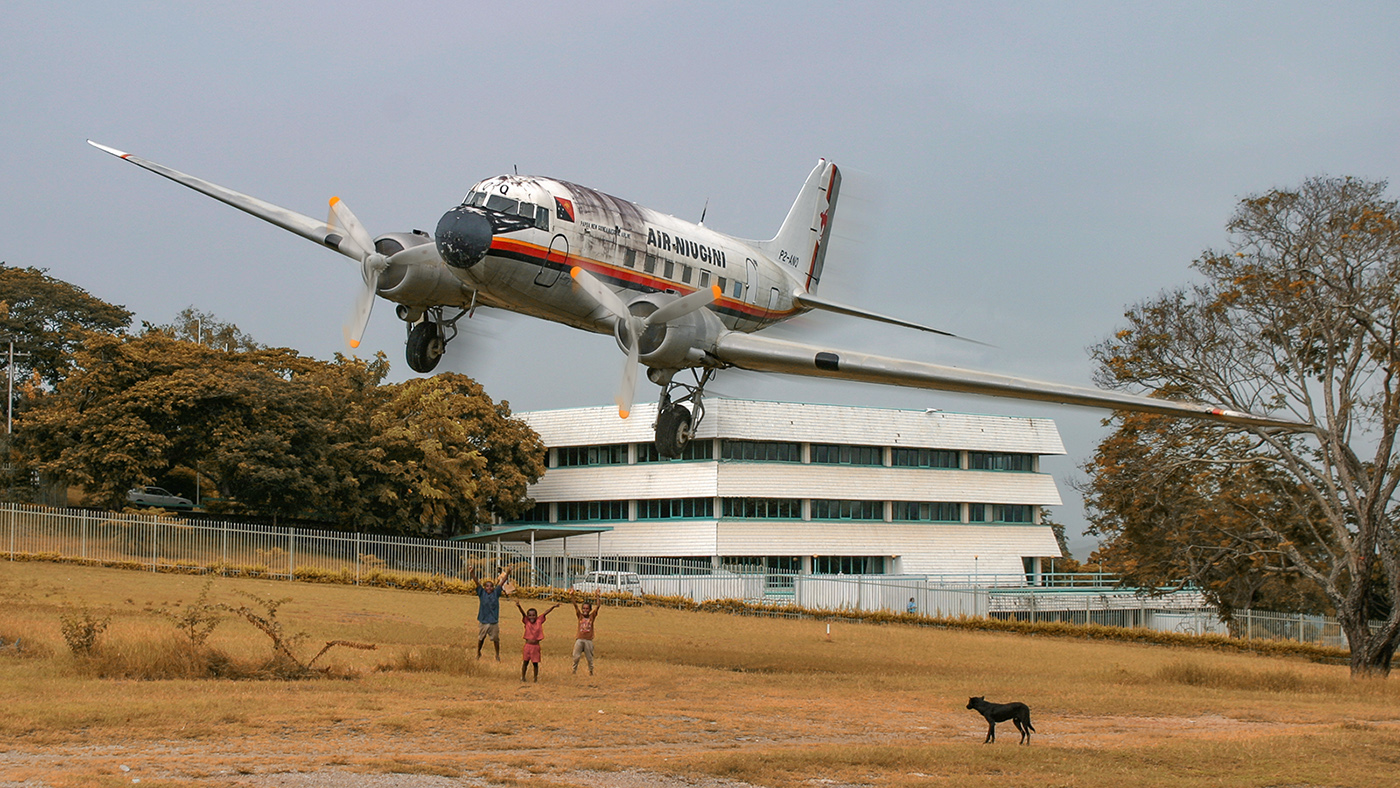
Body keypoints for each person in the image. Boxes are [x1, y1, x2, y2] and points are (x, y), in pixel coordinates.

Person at [470, 566, 510, 660]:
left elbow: (502, 582)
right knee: (481, 638)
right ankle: (478, 652)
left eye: (491, 586)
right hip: (483, 620)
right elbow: (476, 582)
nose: (489, 588)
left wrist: (508, 573)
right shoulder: (481, 593)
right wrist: (472, 573)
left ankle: (497, 655)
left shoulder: (496, 593)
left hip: (493, 621)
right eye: (487, 586)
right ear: (484, 588)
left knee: (495, 639)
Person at [516, 600, 562, 682]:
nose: (531, 617)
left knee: (535, 663)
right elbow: (523, 614)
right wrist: (519, 606)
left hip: (535, 646)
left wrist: (553, 607)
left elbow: (545, 613)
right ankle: (523, 677)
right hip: (527, 646)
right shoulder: (526, 621)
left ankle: (535, 678)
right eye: (529, 615)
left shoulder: (539, 621)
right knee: (525, 662)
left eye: (533, 615)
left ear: (536, 616)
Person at [571, 592, 602, 676]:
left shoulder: (592, 617)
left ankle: (591, 671)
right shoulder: (580, 616)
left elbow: (598, 606)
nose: (585, 610)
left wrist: (598, 596)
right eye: (584, 608)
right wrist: (572, 595)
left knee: (589, 658)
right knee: (576, 657)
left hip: (588, 640)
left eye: (587, 609)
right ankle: (574, 670)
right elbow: (575, 606)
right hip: (580, 639)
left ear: (590, 610)